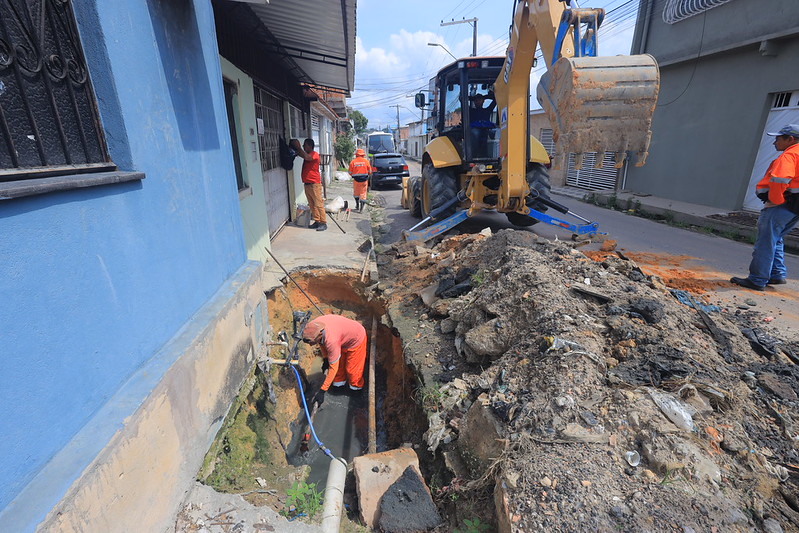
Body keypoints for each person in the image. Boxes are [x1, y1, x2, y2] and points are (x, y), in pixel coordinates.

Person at [731, 124, 799, 291]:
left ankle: (757, 279)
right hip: (794, 208)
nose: (774, 142)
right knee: (776, 238)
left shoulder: (790, 155)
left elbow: (780, 179)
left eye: (778, 138)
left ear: (790, 139)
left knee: (766, 243)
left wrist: (775, 200)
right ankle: (776, 274)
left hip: (781, 206)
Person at [302, 314, 367, 407]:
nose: (311, 345)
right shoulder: (313, 327)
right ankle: (340, 386)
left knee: (353, 372)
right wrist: (325, 359)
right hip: (341, 338)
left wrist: (322, 391)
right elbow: (322, 343)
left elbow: (333, 368)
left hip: (355, 339)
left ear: (320, 334)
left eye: (312, 342)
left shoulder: (331, 340)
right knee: (338, 374)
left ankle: (356, 390)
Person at [291, 138, 327, 231]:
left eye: (305, 145)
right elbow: (302, 155)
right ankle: (317, 221)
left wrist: (298, 147)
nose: (303, 147)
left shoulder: (314, 154)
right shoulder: (307, 154)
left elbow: (307, 157)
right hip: (307, 184)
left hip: (314, 184)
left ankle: (323, 223)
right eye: (303, 146)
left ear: (310, 146)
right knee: (312, 204)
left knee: (318, 204)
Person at [468, 91, 497, 158]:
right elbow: (462, 101)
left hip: (486, 130)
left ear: (483, 101)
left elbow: (495, 101)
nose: (477, 102)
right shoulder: (471, 111)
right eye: (476, 100)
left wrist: (486, 96)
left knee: (494, 133)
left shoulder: (487, 110)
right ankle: (473, 156)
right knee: (475, 133)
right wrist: (470, 98)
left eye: (480, 100)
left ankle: (491, 156)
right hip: (475, 131)